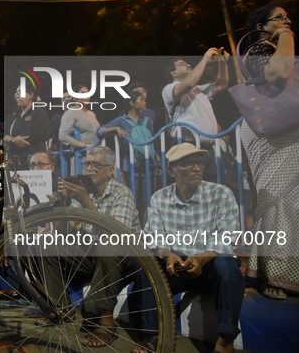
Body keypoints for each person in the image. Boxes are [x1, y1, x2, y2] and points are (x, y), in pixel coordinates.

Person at [134, 143, 243, 353]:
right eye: (187, 163)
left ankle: (225, 339)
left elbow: (227, 237)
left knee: (227, 265)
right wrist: (168, 256)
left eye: (199, 162)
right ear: (171, 170)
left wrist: (201, 259)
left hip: (209, 264)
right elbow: (154, 237)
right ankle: (151, 335)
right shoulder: (160, 198)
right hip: (176, 267)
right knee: (145, 265)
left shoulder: (221, 194)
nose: (196, 168)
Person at [41, 146, 140, 347]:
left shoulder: (122, 193)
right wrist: (63, 202)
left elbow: (116, 235)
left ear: (111, 170)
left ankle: (106, 320)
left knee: (107, 244)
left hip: (124, 258)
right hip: (94, 255)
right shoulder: (84, 193)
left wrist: (85, 201)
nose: (90, 168)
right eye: (87, 164)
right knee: (47, 244)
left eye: (97, 164)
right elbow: (66, 232)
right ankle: (61, 308)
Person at [241, 3, 299, 299]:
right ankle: (271, 274)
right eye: (279, 17)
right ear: (261, 27)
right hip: (271, 134)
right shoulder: (258, 51)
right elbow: (279, 74)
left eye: (287, 17)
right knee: (278, 200)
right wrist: (286, 34)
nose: (286, 20)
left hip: (294, 131)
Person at [97, 87, 159, 225]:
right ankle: (133, 231)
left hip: (149, 165)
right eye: (141, 100)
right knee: (133, 199)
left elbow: (150, 140)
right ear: (132, 103)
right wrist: (115, 129)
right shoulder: (120, 121)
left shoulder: (147, 121)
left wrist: (157, 159)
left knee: (149, 200)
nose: (144, 103)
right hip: (130, 166)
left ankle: (149, 231)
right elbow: (100, 131)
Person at [163, 48, 230, 146]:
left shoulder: (199, 90)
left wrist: (222, 63)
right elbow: (188, 84)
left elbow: (221, 84)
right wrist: (204, 60)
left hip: (208, 147)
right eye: (182, 64)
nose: (188, 65)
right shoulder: (169, 89)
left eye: (187, 63)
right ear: (173, 73)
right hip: (187, 145)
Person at [4, 84, 49, 169]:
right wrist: (13, 140)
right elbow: (1, 133)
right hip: (14, 163)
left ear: (31, 95)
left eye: (20, 93)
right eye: (16, 94)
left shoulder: (40, 114)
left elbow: (34, 133)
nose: (17, 96)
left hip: (34, 163)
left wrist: (9, 139)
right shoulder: (13, 116)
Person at [58, 85, 100, 150]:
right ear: (74, 98)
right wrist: (85, 146)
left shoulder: (91, 114)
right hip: (82, 156)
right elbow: (63, 136)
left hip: (97, 153)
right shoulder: (71, 112)